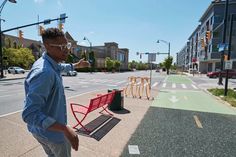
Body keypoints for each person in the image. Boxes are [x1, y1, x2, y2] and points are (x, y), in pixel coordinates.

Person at [22, 28, 90, 157]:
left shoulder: (49, 62)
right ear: (47, 46)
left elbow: (60, 67)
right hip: (53, 135)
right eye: (61, 46)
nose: (66, 49)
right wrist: (64, 129)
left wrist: (76, 65)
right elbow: (29, 114)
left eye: (67, 45)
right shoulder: (44, 73)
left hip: (41, 131)